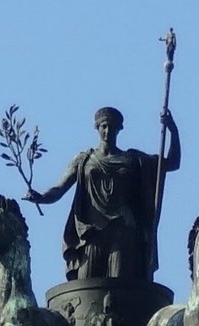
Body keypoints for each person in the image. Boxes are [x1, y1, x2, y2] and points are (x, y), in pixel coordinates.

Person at [26, 105, 181, 281]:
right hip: (91, 232)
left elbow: (172, 163)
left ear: (119, 129)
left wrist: (172, 130)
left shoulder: (133, 160)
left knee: (120, 285)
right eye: (104, 126)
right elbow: (59, 188)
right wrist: (40, 197)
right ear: (97, 128)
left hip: (123, 229)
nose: (108, 131)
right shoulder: (84, 159)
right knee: (85, 284)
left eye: (112, 127)